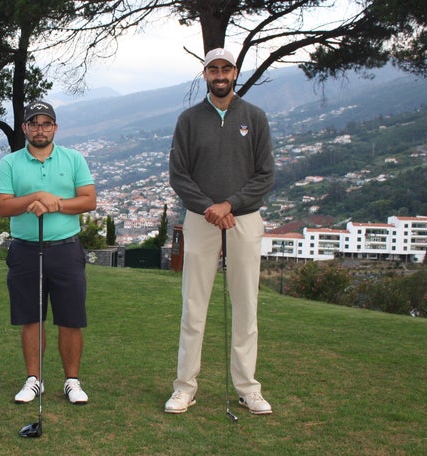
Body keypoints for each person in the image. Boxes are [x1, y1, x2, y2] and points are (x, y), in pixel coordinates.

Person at [165, 49, 275, 415]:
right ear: (205, 74)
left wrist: (229, 205)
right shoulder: (189, 119)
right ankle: (184, 387)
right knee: (193, 307)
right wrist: (210, 208)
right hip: (201, 218)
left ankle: (248, 388)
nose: (220, 74)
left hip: (244, 218)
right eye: (213, 69)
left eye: (226, 68)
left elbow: (265, 174)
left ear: (235, 72)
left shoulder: (255, 117)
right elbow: (179, 174)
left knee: (246, 307)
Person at [0, 100, 97, 405]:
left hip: (66, 249)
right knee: (31, 318)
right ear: (25, 127)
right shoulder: (10, 163)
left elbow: (89, 199)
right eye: (34, 124)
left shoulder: (74, 159)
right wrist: (36, 196)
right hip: (25, 250)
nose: (40, 129)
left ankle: (72, 381)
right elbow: (2, 206)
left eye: (46, 123)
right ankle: (33, 379)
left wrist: (57, 203)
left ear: (55, 127)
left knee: (71, 319)